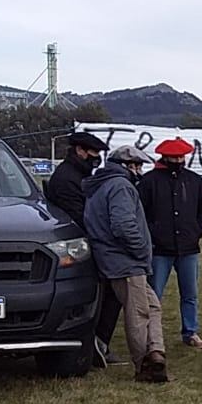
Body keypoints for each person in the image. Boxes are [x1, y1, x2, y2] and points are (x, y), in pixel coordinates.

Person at [82, 144, 169, 383]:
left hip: (116, 259)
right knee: (138, 312)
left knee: (152, 306)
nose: (140, 171)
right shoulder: (120, 186)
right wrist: (142, 250)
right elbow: (123, 225)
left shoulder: (100, 186)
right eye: (137, 166)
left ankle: (156, 351)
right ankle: (145, 365)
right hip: (126, 261)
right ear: (126, 166)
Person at [43, 130, 121, 369]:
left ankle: (97, 343)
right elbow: (81, 215)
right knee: (102, 295)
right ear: (79, 151)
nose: (95, 158)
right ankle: (94, 344)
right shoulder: (68, 179)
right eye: (92, 153)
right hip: (82, 246)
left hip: (89, 243)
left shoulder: (78, 175)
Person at [138, 137, 202, 350]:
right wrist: (153, 234)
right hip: (160, 249)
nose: (179, 160)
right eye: (175, 157)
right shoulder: (149, 181)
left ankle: (190, 332)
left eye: (181, 157)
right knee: (154, 295)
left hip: (189, 248)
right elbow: (140, 213)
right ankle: (151, 336)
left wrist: (197, 231)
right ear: (165, 157)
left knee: (190, 294)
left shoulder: (194, 180)